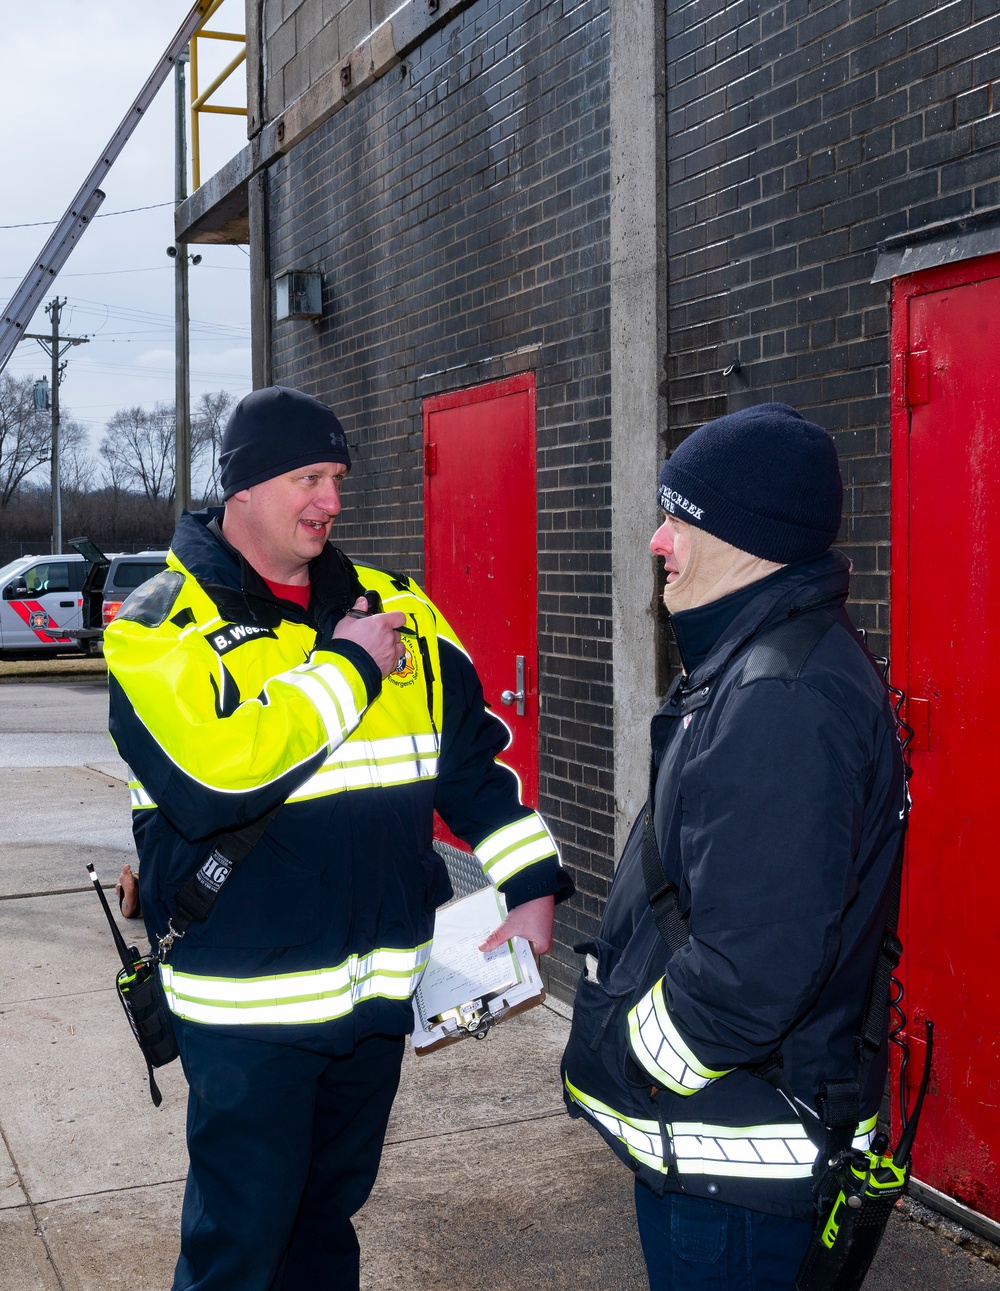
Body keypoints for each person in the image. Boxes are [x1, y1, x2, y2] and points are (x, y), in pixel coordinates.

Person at [104, 384, 572, 1291]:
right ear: (242, 490)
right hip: (252, 1016)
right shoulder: (162, 626)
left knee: (325, 1229)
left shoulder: (399, 607)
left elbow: (470, 768)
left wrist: (532, 880)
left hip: (374, 1004)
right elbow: (213, 779)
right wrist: (349, 665)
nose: (330, 499)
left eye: (337, 477)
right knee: (239, 1246)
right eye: (307, 477)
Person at [560, 403, 906, 1290]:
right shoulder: (761, 664)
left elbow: (756, 968)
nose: (657, 541)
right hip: (727, 1150)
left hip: (738, 1173)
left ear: (747, 540)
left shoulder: (783, 697)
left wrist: (639, 1054)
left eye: (680, 517)